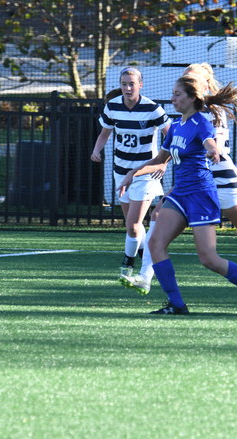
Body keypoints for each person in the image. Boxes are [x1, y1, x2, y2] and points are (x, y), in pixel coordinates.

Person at [122, 63, 237, 302]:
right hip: (195, 185)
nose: (186, 84)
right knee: (158, 217)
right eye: (185, 78)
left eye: (192, 80)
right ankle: (146, 277)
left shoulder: (211, 114)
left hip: (221, 181)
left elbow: (211, 149)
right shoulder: (184, 116)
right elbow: (175, 153)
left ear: (203, 86)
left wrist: (209, 150)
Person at [91, 67, 170, 283]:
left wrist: (163, 162)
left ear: (140, 85)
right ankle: (147, 260)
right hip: (121, 171)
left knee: (133, 225)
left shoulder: (153, 109)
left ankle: (127, 263)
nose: (127, 88)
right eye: (124, 84)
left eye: (131, 84)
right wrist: (96, 150)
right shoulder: (112, 106)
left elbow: (172, 137)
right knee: (132, 226)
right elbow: (104, 133)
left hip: (145, 173)